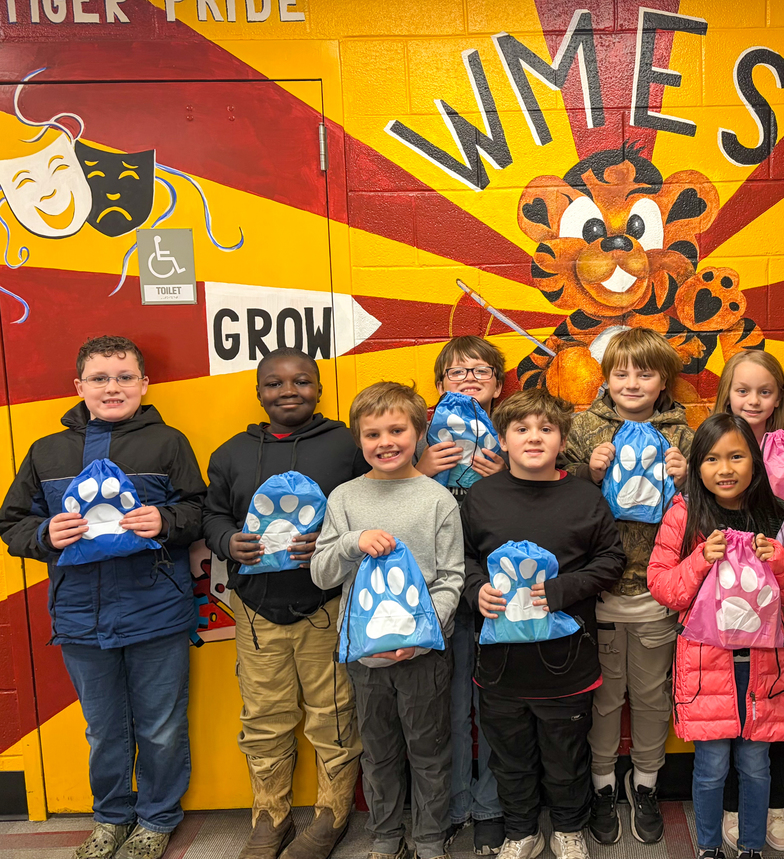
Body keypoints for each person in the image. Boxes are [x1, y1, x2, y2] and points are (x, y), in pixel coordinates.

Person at [0, 336, 206, 859]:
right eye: (100, 378)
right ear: (79, 387)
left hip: (155, 609)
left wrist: (166, 520)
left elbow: (200, 511)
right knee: (104, 729)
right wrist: (47, 534)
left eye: (123, 377)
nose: (112, 387)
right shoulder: (47, 451)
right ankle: (111, 817)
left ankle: (158, 819)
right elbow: (12, 524)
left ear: (143, 383)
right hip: (78, 615)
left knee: (161, 726)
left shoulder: (168, 442)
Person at [203, 348, 368, 859]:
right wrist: (227, 541)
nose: (288, 390)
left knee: (334, 713)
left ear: (319, 388)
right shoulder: (231, 453)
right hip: (256, 613)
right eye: (274, 383)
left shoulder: (347, 445)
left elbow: (374, 500)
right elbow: (211, 516)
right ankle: (269, 816)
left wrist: (333, 536)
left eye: (301, 381)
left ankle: (330, 816)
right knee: (265, 716)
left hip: (327, 605)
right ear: (259, 393)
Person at [462, 388, 626, 859]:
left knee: (565, 754)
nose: (534, 437)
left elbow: (611, 559)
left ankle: (569, 829)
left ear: (562, 439)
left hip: (565, 663)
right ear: (503, 439)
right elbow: (465, 559)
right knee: (509, 757)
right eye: (521, 429)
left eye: (546, 429)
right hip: (500, 663)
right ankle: (521, 831)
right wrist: (476, 590)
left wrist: (562, 590)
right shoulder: (481, 497)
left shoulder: (584, 497)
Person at [647, 413, 784, 859]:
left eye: (737, 456)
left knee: (756, 766)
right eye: (711, 459)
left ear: (756, 463)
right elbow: (663, 585)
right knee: (710, 767)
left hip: (763, 668)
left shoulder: (778, 519)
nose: (725, 469)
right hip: (706, 666)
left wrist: (779, 561)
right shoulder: (685, 514)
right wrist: (701, 558)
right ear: (697, 466)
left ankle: (751, 848)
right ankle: (707, 848)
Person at [310, 382, 464, 859]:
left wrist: (421, 636)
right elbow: (320, 573)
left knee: (429, 749)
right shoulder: (344, 498)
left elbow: (451, 579)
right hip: (364, 654)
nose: (386, 442)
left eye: (397, 429)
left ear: (420, 433)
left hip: (424, 655)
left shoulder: (438, 499)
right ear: (359, 439)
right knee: (378, 750)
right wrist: (352, 542)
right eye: (373, 433)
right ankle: (384, 836)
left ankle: (432, 837)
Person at [562, 327, 691, 844]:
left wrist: (688, 477)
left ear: (663, 381)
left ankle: (646, 784)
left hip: (657, 590)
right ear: (607, 377)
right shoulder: (584, 427)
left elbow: (710, 500)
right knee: (604, 698)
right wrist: (585, 473)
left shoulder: (683, 432)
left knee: (651, 696)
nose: (632, 382)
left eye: (645, 372)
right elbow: (556, 495)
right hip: (600, 591)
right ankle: (600, 787)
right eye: (622, 372)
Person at [713, 349, 784, 851]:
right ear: (727, 391)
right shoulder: (712, 444)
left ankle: (774, 802)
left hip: (773, 608)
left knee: (770, 704)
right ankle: (732, 806)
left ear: (778, 398)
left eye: (764, 391)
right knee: (727, 708)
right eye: (743, 390)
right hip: (719, 614)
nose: (753, 400)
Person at [417, 336, 506, 855]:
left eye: (480, 371)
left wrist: (510, 477)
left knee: (492, 705)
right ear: (439, 385)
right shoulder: (420, 440)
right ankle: (452, 805)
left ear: (498, 385)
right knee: (447, 707)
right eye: (456, 372)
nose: (469, 379)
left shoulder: (515, 436)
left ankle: (491, 805)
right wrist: (423, 470)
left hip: (495, 592)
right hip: (438, 593)